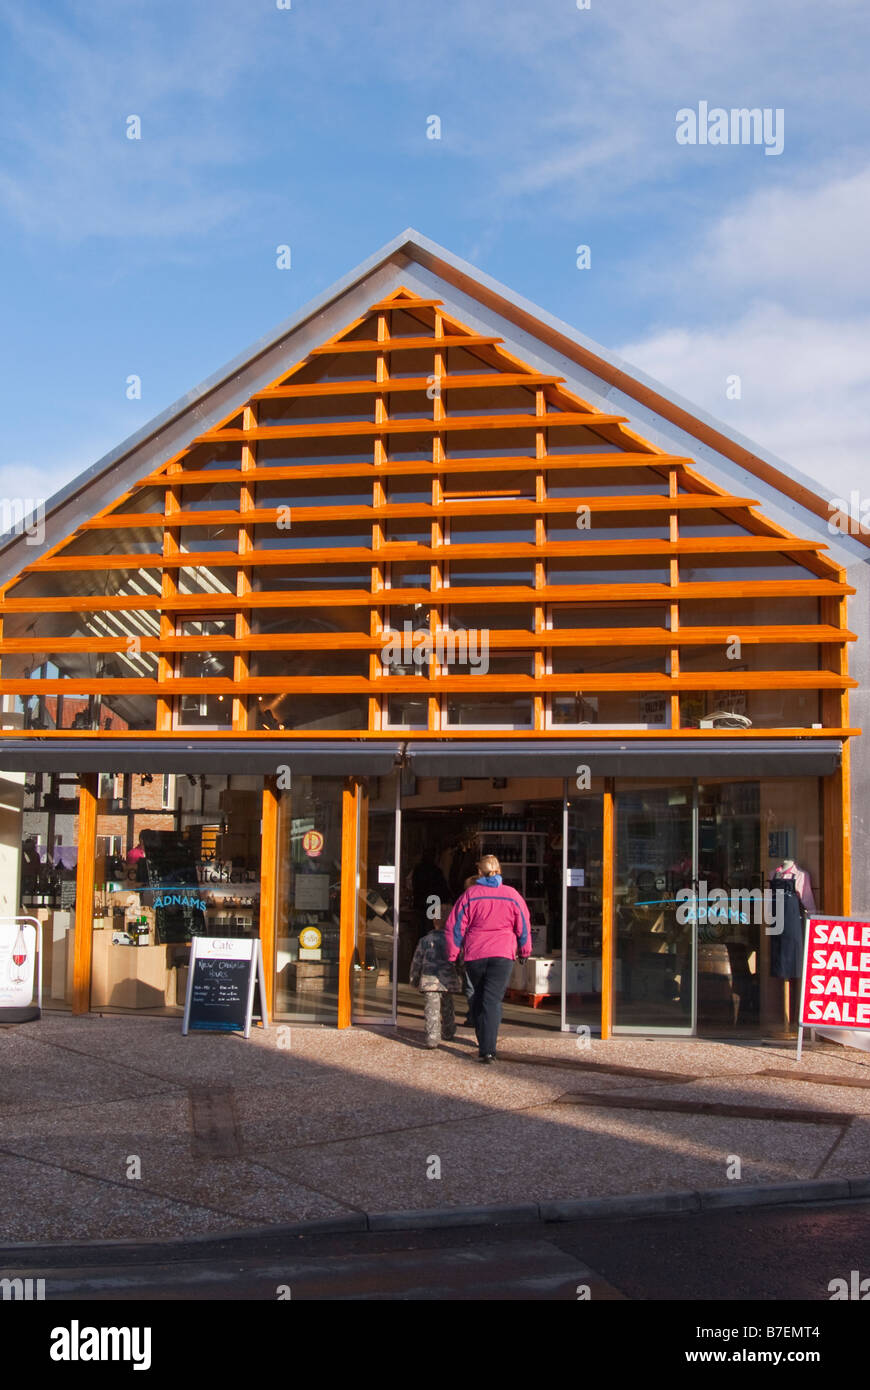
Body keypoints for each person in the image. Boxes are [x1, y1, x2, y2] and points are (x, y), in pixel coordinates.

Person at [445, 855, 531, 1063]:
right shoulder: (512, 895)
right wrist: (525, 950)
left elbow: (455, 926)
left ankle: (484, 1043)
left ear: (479, 873)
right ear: (499, 871)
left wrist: (452, 954)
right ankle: (488, 1049)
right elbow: (524, 924)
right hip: (502, 954)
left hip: (476, 954)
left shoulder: (470, 895)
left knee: (479, 996)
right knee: (492, 1000)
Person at [409, 916, 460, 1049]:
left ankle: (432, 1038)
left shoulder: (425, 940)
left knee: (431, 1009)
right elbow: (460, 960)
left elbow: (417, 961)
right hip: (447, 980)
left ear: (434, 923)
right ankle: (448, 1032)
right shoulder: (454, 939)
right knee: (448, 1007)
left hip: (429, 981)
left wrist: (414, 979)